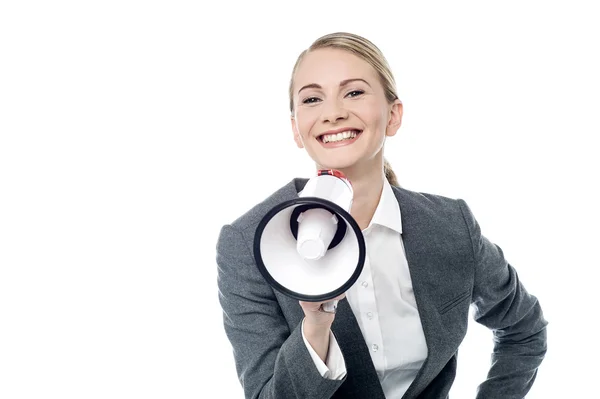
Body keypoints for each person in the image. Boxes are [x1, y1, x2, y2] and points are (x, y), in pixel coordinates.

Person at [216, 32, 547, 399]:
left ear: (393, 115)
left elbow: (525, 331)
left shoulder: (451, 226)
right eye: (312, 98)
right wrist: (316, 328)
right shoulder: (249, 243)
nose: (333, 112)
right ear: (296, 128)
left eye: (354, 92)